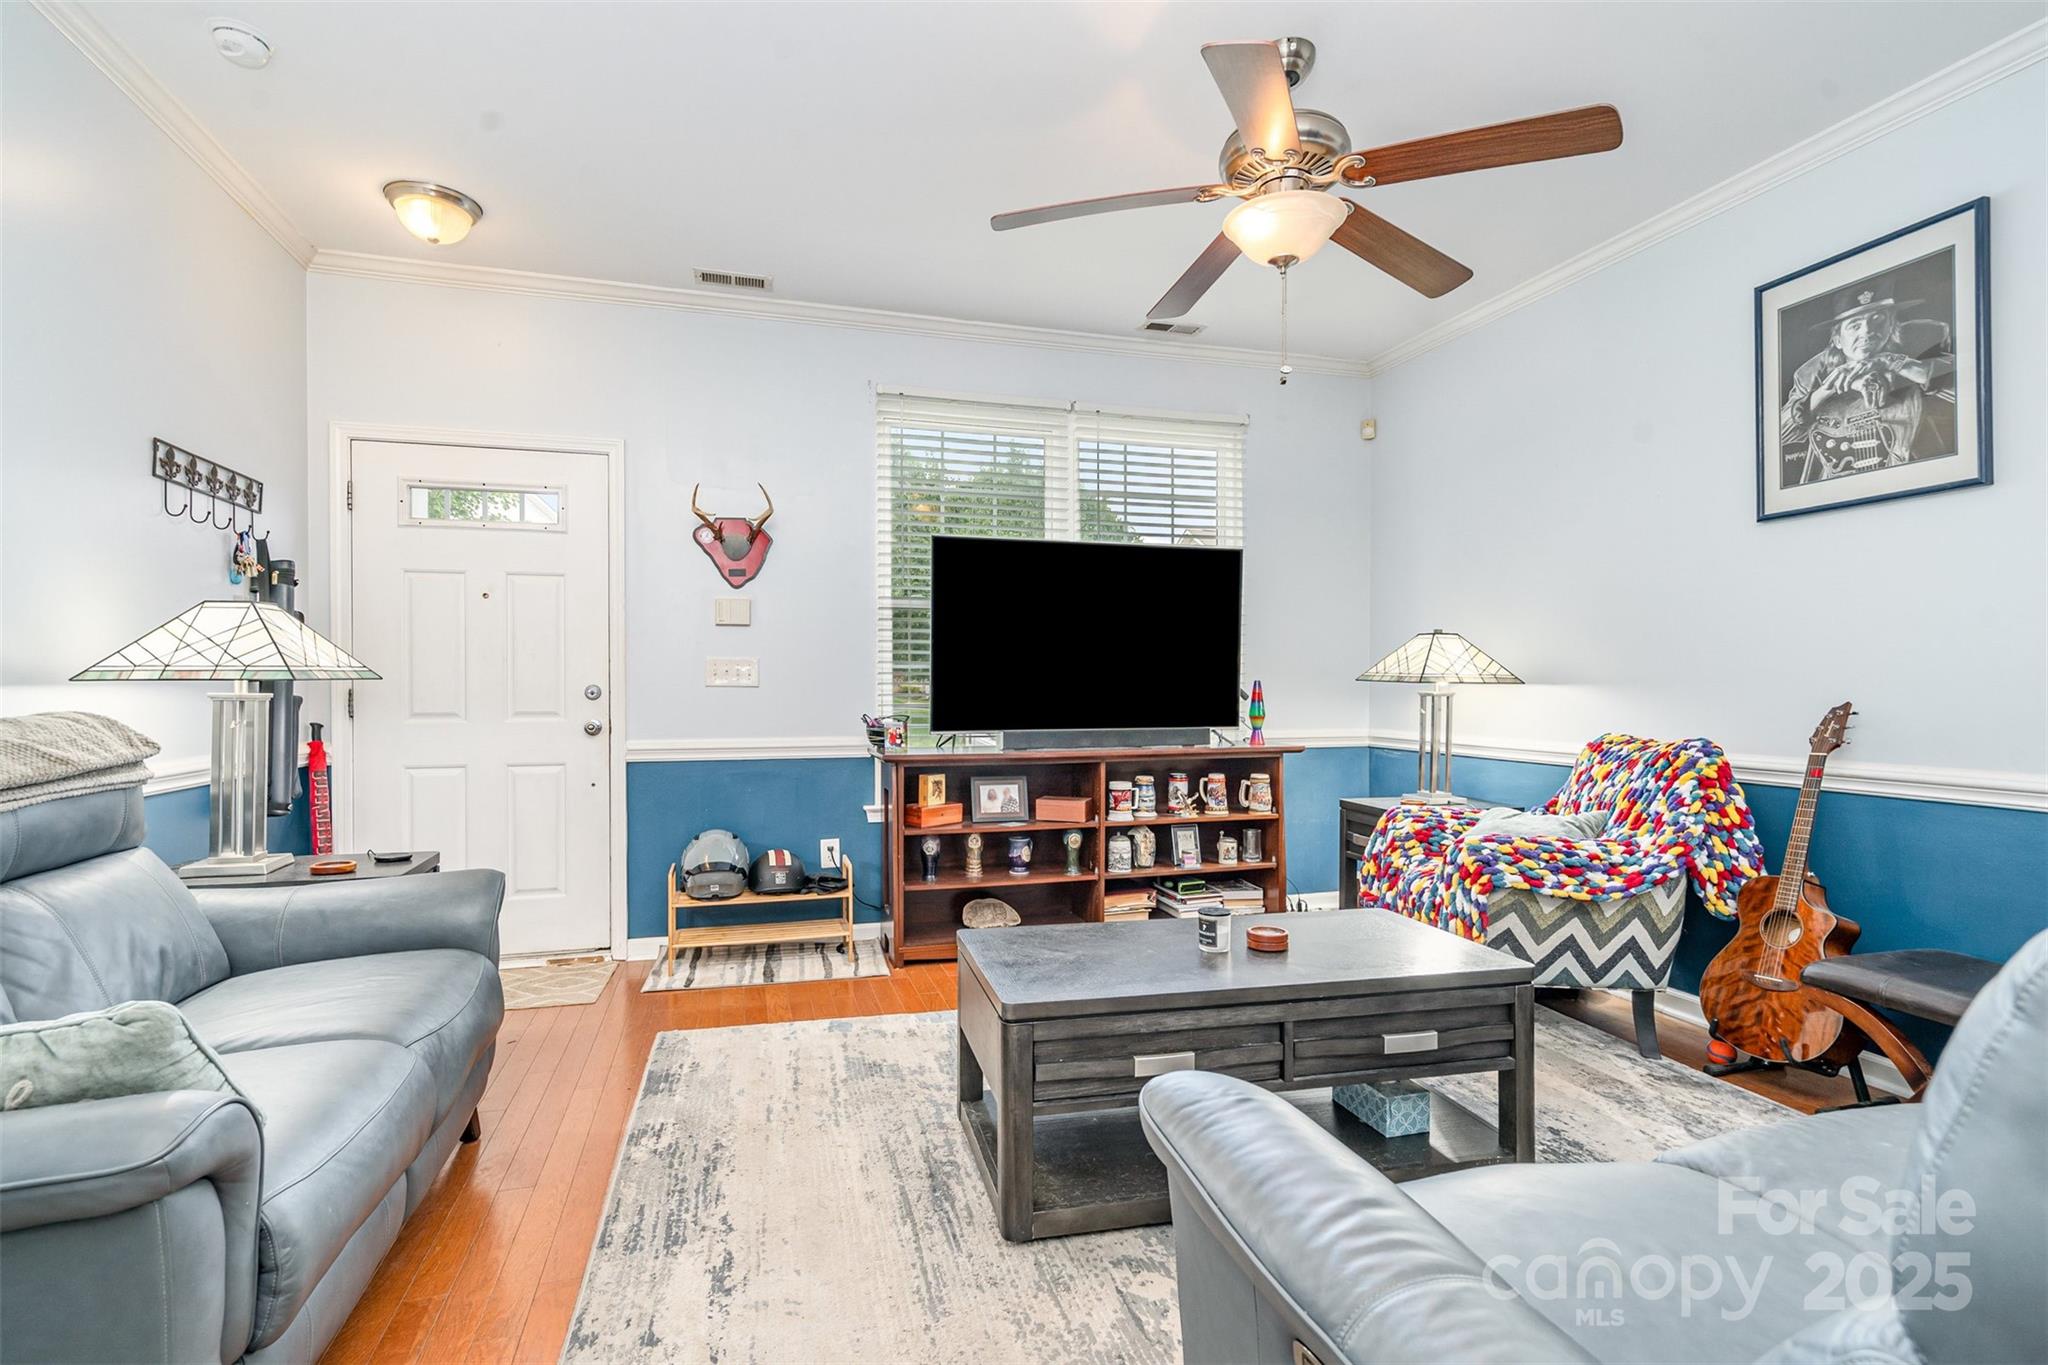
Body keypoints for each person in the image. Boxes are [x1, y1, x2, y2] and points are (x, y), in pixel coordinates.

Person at [1779, 279, 1955, 482]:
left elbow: (1967, 383)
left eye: (1878, 319)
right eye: (1855, 325)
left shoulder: (1917, 348)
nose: (1867, 332)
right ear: (1837, 339)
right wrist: (1828, 389)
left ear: (1891, 325)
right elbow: (1780, 437)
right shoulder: (1811, 373)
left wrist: (1891, 363)